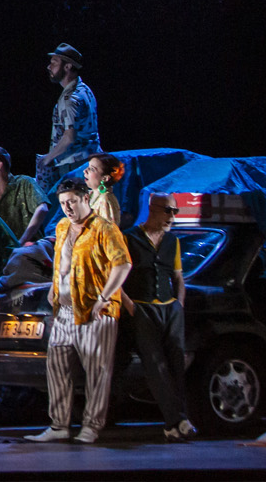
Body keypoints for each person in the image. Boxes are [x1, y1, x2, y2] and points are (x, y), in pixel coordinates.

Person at [28, 176, 132, 444]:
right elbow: (60, 261)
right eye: (63, 203)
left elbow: (123, 264)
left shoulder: (104, 228)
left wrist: (105, 297)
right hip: (64, 309)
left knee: (97, 371)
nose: (67, 207)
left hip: (94, 312)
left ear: (86, 198)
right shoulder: (63, 226)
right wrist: (54, 287)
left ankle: (92, 426)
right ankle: (59, 425)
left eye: (72, 201)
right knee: (57, 366)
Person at [121, 193, 195, 441]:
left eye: (175, 211)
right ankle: (179, 419)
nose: (172, 216)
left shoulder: (173, 241)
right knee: (155, 364)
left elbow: (178, 277)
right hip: (142, 308)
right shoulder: (129, 238)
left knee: (176, 364)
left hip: (170, 308)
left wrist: (179, 305)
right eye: (168, 211)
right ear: (152, 209)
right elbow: (115, 276)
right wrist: (131, 307)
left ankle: (174, 424)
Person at [36, 43, 102, 195]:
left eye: (54, 63)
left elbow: (69, 137)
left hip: (74, 164)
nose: (49, 67)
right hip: (90, 159)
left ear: (67, 66)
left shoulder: (70, 98)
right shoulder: (85, 90)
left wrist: (48, 159)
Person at [0, 146, 52, 244]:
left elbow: (42, 208)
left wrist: (21, 242)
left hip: (30, 248)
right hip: (5, 252)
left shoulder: (24, 183)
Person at [84, 153, 125, 227]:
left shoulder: (106, 200)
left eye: (92, 169)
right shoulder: (90, 194)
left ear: (105, 178)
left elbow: (108, 230)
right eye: (88, 167)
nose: (85, 171)